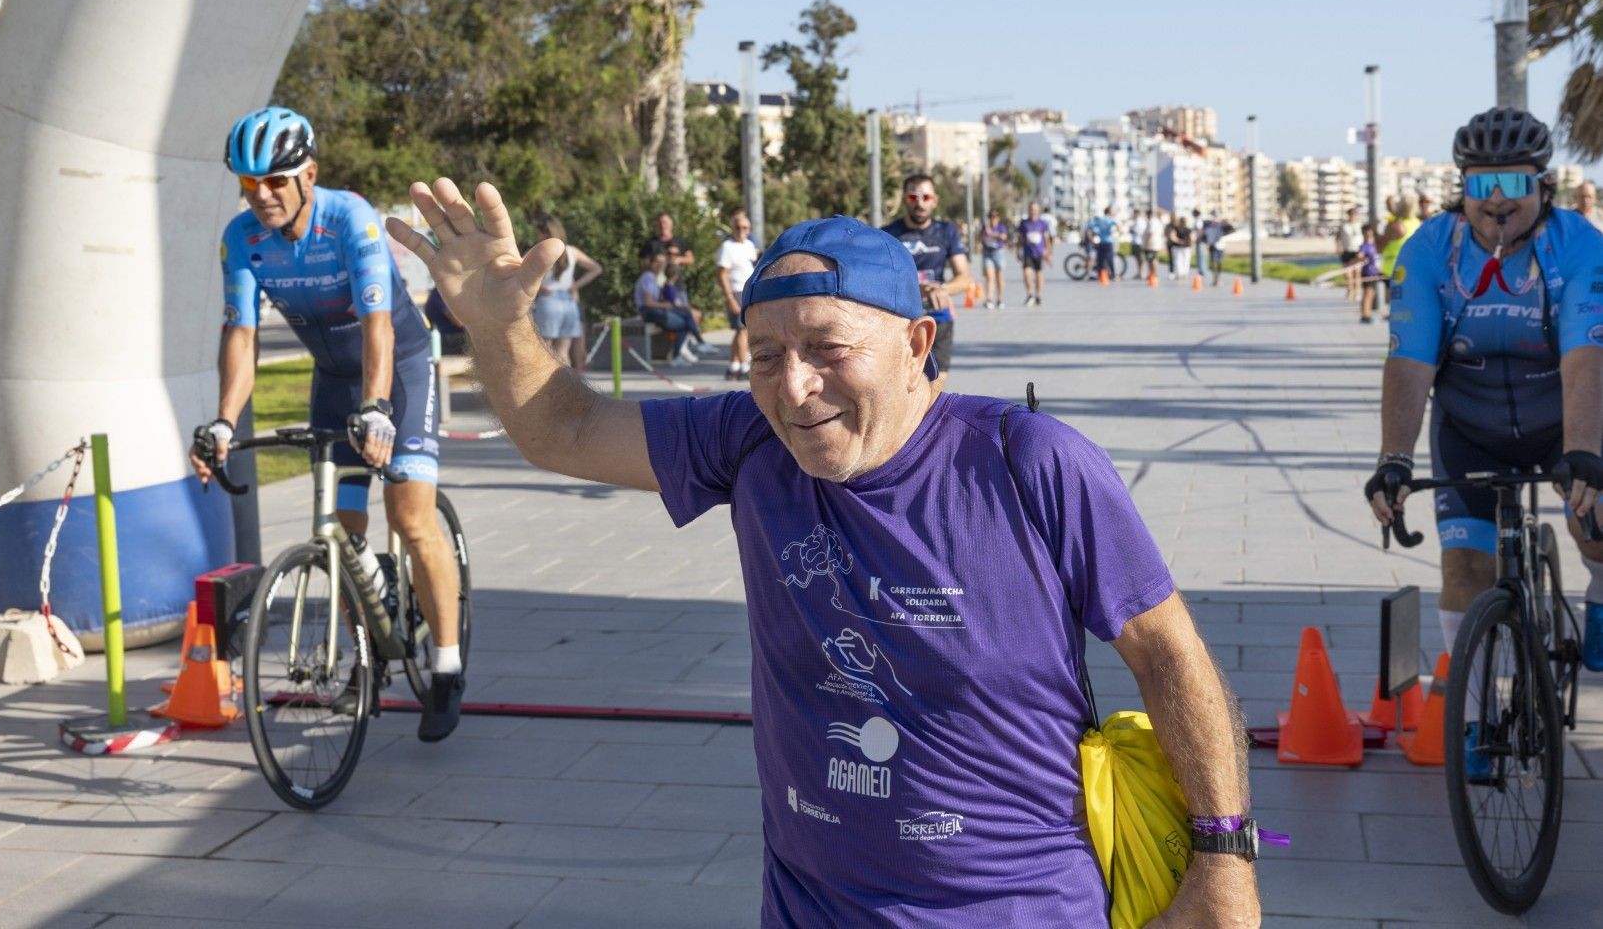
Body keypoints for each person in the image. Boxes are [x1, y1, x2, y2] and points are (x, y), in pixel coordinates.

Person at [388, 183, 1264, 927]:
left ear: (917, 345)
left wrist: (1223, 861)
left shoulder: (1028, 461)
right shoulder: (746, 438)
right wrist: (499, 325)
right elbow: (565, 429)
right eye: (766, 354)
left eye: (828, 350)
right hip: (814, 901)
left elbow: (1167, 652)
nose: (794, 387)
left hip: (1014, 902)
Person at [194, 107, 467, 740]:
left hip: (397, 369)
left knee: (409, 517)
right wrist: (224, 422)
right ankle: (365, 657)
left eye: (275, 181)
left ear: (308, 174)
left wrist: (376, 408)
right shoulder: (242, 238)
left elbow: (377, 323)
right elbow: (241, 334)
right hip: (332, 380)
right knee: (341, 530)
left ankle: (448, 665)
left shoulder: (350, 219)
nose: (261, 195)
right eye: (247, 183)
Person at [1366, 107, 1603, 676]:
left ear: (1544, 186)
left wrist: (1586, 453)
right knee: (1464, 569)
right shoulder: (1429, 250)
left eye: (1515, 183)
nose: (1497, 200)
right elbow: (1410, 360)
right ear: (1462, 188)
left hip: (1562, 419)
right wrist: (1393, 459)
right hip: (1470, 429)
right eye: (1481, 184)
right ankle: (1472, 721)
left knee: (1598, 529)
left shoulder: (1579, 245)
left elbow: (1586, 356)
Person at [882, 174, 972, 387]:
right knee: (902, 385)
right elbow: (881, 279)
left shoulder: (946, 232)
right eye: (913, 197)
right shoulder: (888, 235)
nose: (920, 203)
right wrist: (916, 288)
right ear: (904, 199)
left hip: (938, 319)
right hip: (901, 319)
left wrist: (941, 288)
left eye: (926, 197)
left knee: (934, 386)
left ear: (935, 200)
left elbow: (964, 278)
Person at [531, 214, 601, 367]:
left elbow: (522, 271)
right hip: (569, 302)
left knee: (545, 349)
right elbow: (596, 268)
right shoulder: (572, 251)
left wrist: (540, 287)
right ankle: (565, 388)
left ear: (545, 232)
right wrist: (575, 286)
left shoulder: (541, 250)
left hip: (548, 300)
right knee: (563, 352)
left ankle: (545, 390)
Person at [635, 250, 714, 366]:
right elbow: (648, 302)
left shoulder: (655, 277)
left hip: (656, 310)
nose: (660, 264)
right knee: (684, 323)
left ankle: (686, 351)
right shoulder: (648, 277)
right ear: (651, 263)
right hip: (648, 312)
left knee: (686, 315)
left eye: (662, 262)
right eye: (657, 262)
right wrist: (665, 305)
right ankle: (697, 344)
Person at [716, 209, 759, 381]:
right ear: (732, 228)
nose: (741, 231)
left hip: (748, 291)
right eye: (738, 227)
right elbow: (721, 274)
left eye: (745, 228)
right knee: (743, 331)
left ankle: (733, 365)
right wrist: (729, 298)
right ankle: (745, 366)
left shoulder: (748, 245)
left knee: (739, 331)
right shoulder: (727, 247)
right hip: (736, 291)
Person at [1378, 191, 1421, 304]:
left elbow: (1379, 247)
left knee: (1394, 301)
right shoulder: (1417, 223)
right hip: (1411, 266)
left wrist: (1374, 230)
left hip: (1392, 267)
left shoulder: (1396, 225)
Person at [1017, 201, 1053, 305]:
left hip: (1039, 253)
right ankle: (1029, 294)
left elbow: (1046, 239)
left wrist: (1048, 252)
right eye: (1031, 209)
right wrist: (1018, 250)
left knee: (1039, 276)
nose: (1033, 211)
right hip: (1028, 253)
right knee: (1027, 274)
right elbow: (1021, 238)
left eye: (1035, 209)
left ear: (1038, 210)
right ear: (1029, 210)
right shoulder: (1024, 223)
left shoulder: (1042, 224)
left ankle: (1038, 295)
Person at [978, 207, 1011, 309]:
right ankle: (989, 299)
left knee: (999, 278)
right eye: (991, 217)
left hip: (998, 253)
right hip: (987, 253)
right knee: (989, 276)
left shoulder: (1001, 227)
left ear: (998, 218)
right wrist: (984, 233)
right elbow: (979, 239)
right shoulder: (985, 227)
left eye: (995, 217)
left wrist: (993, 234)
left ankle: (1000, 299)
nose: (993, 219)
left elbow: (1004, 237)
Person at [1356, 223, 1381, 324]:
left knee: (1371, 294)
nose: (1368, 234)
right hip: (1367, 273)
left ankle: (1368, 313)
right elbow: (1359, 255)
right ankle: (1365, 315)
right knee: (1367, 293)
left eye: (1370, 232)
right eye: (1366, 233)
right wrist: (1363, 258)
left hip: (1374, 273)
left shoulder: (1374, 245)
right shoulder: (1365, 246)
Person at [1336, 208, 1363, 301]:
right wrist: (1339, 247)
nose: (1353, 216)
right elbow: (1338, 238)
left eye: (1355, 214)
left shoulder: (1360, 225)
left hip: (1357, 252)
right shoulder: (1344, 226)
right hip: (1347, 251)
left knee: (1357, 273)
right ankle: (1350, 290)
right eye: (1351, 214)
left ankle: (1357, 291)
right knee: (1348, 274)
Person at [1085, 206, 1118, 280]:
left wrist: (1092, 239)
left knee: (1100, 259)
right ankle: (1113, 275)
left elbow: (1090, 227)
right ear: (1109, 212)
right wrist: (1113, 233)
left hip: (1100, 242)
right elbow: (1117, 226)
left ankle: (1100, 275)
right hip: (1108, 241)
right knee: (1110, 259)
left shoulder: (1100, 220)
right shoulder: (1110, 220)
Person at [1201, 215, 1233, 287]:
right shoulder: (1210, 228)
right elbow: (1206, 236)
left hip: (1220, 246)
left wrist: (1225, 224)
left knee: (1219, 263)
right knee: (1214, 263)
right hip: (1214, 246)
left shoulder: (1222, 228)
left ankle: (1217, 278)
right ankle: (1215, 279)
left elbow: (1231, 229)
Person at [1167, 214, 1194, 280]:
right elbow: (1192, 239)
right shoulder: (1189, 230)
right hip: (1186, 247)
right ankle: (1184, 274)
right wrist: (1191, 246)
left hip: (1177, 247)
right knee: (1186, 261)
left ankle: (1179, 274)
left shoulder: (1176, 228)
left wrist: (1179, 241)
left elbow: (1172, 236)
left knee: (1178, 260)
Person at [1141, 207, 1164, 279]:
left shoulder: (1152, 222)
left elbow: (1151, 234)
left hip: (1151, 245)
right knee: (1151, 259)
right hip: (1155, 244)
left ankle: (1154, 274)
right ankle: (1152, 273)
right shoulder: (1157, 221)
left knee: (1151, 259)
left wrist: (1146, 244)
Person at [1128, 209, 1149, 277]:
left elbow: (1139, 231)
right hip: (1135, 241)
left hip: (1139, 242)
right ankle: (1139, 272)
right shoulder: (1135, 221)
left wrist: (1131, 230)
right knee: (1137, 258)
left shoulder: (1140, 221)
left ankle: (1141, 272)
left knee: (1140, 258)